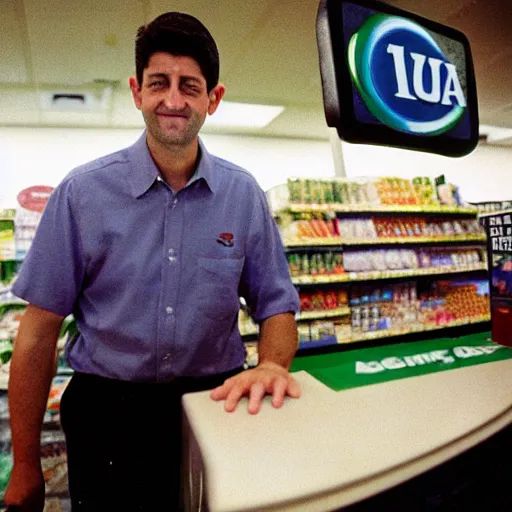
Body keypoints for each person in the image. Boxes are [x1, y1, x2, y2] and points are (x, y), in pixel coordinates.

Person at [5, 11, 300, 512]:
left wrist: (271, 364)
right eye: (158, 82)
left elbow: (278, 307)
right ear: (136, 90)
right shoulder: (81, 194)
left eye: (190, 85)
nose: (173, 100)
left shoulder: (243, 194)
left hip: (214, 407)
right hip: (106, 416)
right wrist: (27, 464)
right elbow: (37, 335)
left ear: (214, 98)